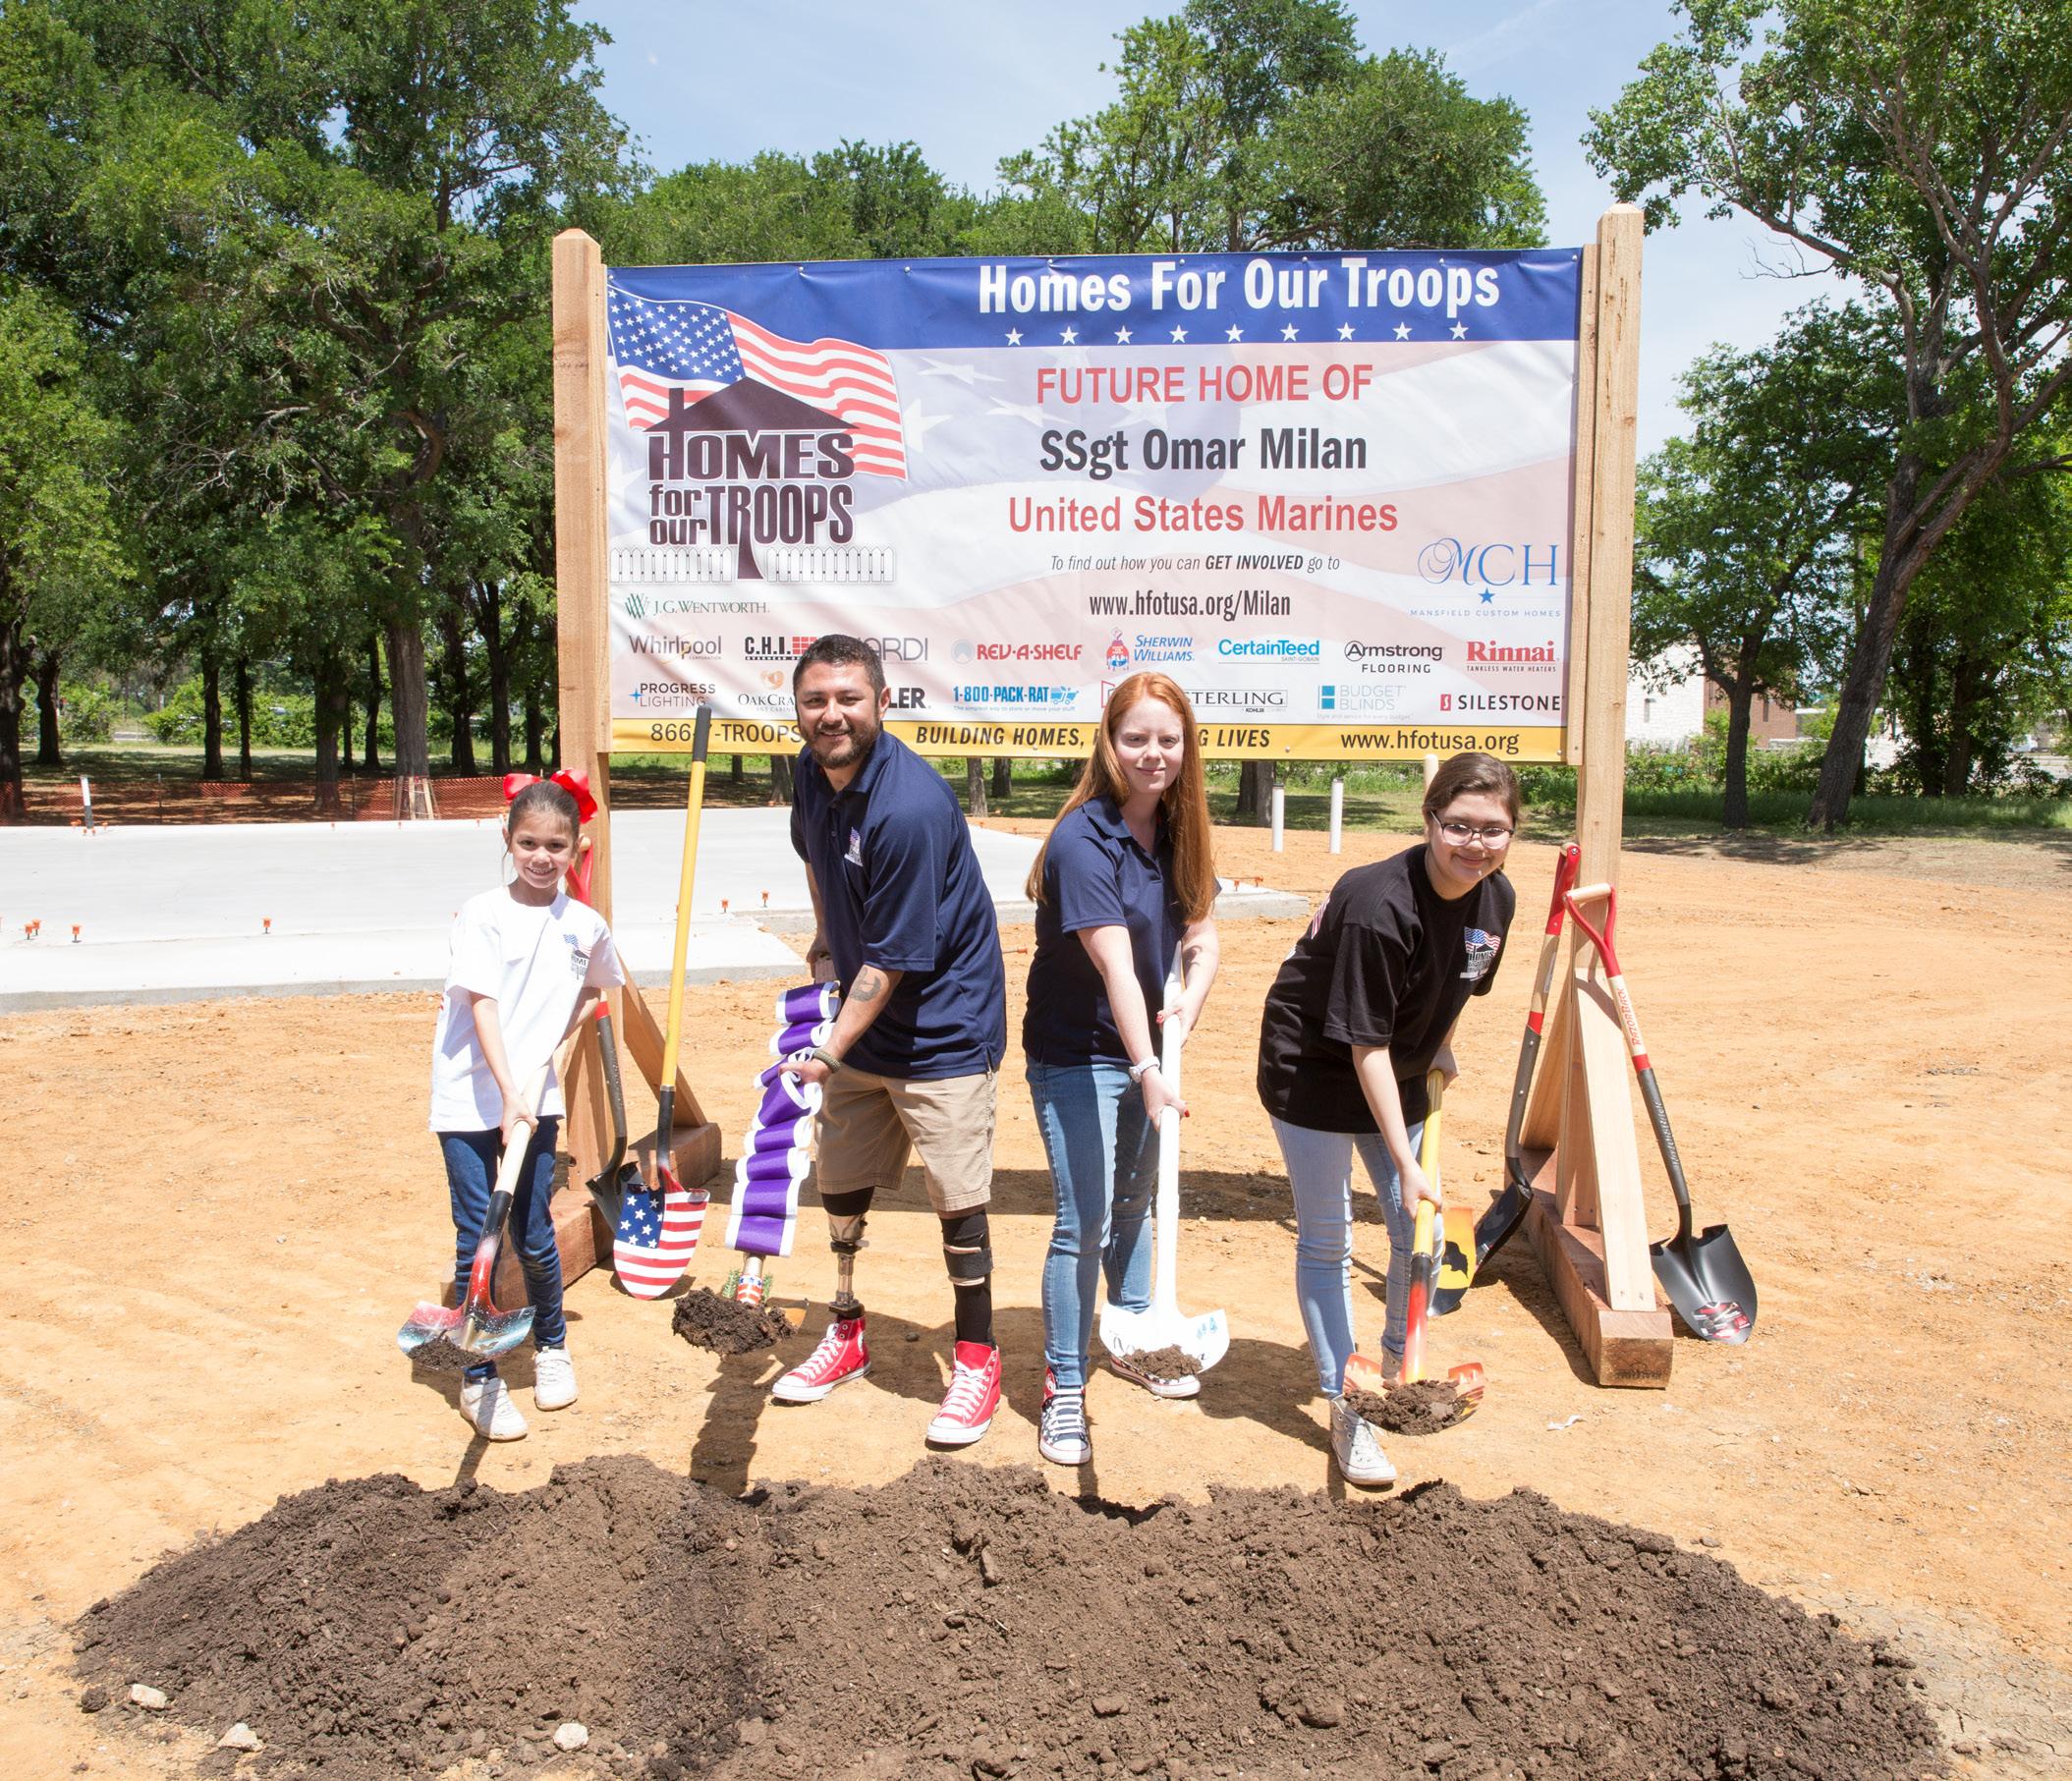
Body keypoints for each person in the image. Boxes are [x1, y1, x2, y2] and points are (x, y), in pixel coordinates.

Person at [1256, 751, 1520, 1487]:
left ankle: (1397, 1372)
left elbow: (1455, 985)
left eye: (1492, 829)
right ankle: (1350, 1406)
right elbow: (1363, 1042)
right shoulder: (1380, 905)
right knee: (1329, 1239)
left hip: (1397, 1067)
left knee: (1418, 1235)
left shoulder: (1495, 900)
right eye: (1458, 825)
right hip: (1313, 1068)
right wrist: (1404, 1162)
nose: (1475, 844)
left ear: (1511, 833)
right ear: (1429, 821)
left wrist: (1440, 1043)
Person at [773, 636, 1010, 1447]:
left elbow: (894, 960)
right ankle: (845, 1329)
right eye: (815, 700)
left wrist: (828, 1047)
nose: (831, 714)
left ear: (882, 701)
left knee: (957, 1197)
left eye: (848, 697)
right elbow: (816, 856)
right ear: (797, 709)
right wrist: (822, 940)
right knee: (838, 1180)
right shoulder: (811, 771)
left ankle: (976, 1356)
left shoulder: (908, 807)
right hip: (861, 1021)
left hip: (942, 1026)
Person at [1022, 673, 1220, 1466]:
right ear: (1109, 742)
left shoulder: (1179, 827)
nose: (1152, 753)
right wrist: (1145, 1066)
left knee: (1134, 1201)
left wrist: (1191, 998)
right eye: (1135, 737)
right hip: (1078, 1049)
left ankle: (1135, 1333)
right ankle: (1063, 1384)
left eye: (1167, 739)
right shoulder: (1082, 839)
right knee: (1085, 1216)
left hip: (1146, 1046)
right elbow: (1114, 965)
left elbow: (1201, 933)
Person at [428, 772, 624, 1440]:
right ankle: (478, 1375)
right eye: (528, 843)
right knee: (476, 1235)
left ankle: (551, 1346)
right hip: (469, 1093)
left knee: (533, 1232)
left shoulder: (585, 925)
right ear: (507, 840)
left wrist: (547, 1053)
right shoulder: (483, 913)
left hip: (532, 1095)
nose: (542, 857)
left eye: (556, 845)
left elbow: (595, 992)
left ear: (577, 846)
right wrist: (507, 1091)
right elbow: (482, 1004)